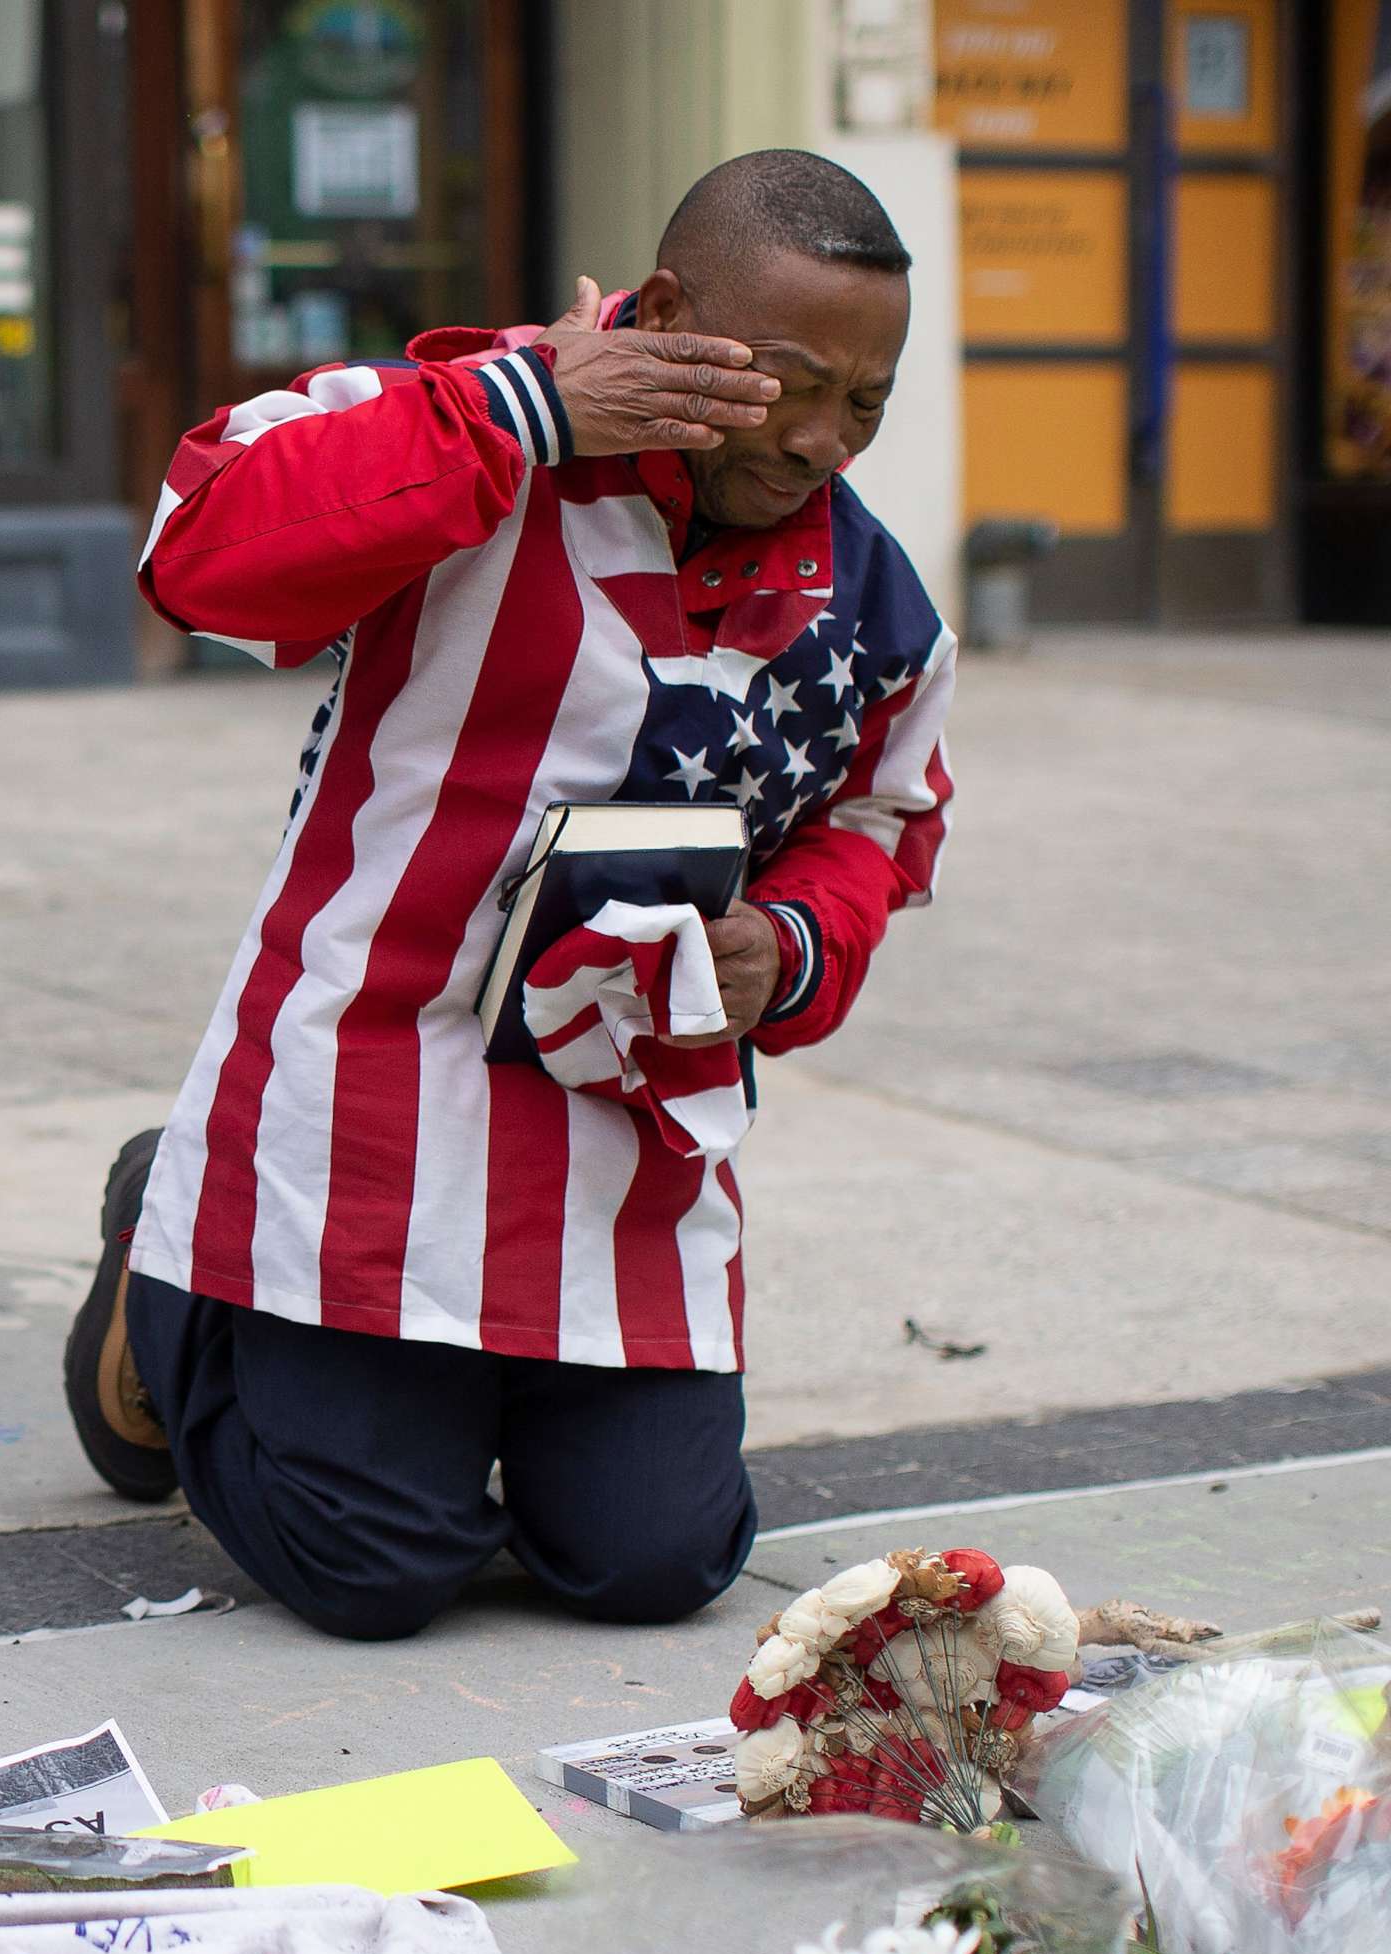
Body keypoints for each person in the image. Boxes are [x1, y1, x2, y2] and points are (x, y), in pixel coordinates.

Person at [62, 150, 954, 1642]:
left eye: (863, 403)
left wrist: (790, 946)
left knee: (657, 1564)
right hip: (369, 1113)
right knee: (370, 1572)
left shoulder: (872, 598)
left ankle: (442, 1401)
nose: (820, 440)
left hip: (628, 1147)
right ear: (668, 311)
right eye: (790, 381)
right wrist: (525, 404)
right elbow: (199, 548)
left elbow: (881, 815)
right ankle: (168, 1253)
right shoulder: (471, 418)